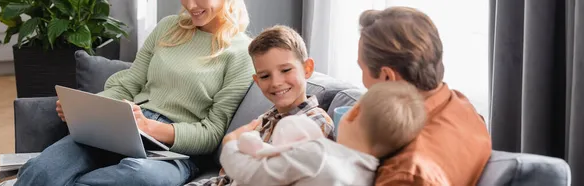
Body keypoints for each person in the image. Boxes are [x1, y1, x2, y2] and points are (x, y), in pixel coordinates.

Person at [15, 0, 253, 185]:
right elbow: (128, 85)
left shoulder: (242, 53)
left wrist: (151, 128)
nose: (190, 6)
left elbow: (212, 133)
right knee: (41, 170)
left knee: (139, 177)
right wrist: (85, 108)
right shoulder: (168, 27)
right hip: (120, 127)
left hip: (175, 151)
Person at [355, 7, 492, 185]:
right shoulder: (462, 106)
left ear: (387, 77)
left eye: (361, 69)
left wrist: (347, 156)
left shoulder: (406, 172)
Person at [186, 25, 335, 186]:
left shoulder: (316, 123)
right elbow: (230, 178)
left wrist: (231, 149)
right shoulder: (266, 119)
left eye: (285, 70)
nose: (276, 83)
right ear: (257, 81)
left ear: (307, 68)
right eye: (265, 76)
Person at [219, 81, 429, 185]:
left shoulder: (318, 153)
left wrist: (230, 145)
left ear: (353, 114)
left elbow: (252, 175)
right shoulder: (371, 178)